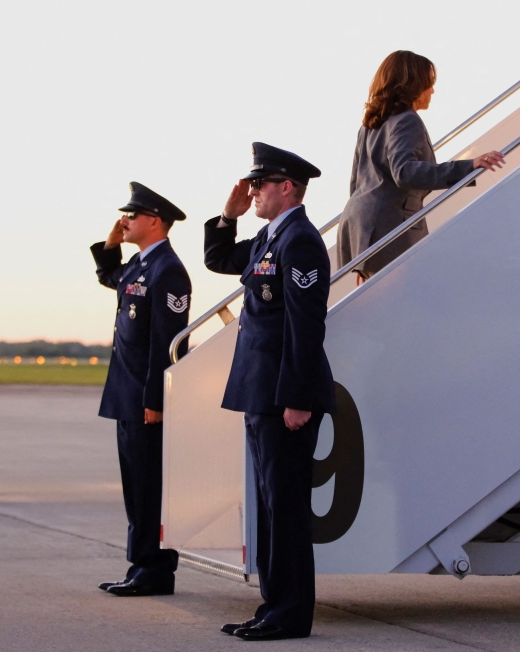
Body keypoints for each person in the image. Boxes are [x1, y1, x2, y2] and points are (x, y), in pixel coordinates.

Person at [204, 143, 335, 641]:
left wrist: (298, 398)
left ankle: (290, 613)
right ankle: (273, 606)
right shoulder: (267, 238)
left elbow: (307, 324)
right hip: (261, 392)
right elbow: (219, 259)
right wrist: (227, 215)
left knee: (287, 509)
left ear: (288, 188)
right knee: (269, 505)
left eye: (261, 184)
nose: (253, 190)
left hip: (285, 397)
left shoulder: (299, 241)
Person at [90, 182, 192, 597]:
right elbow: (108, 277)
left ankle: (156, 569)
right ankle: (141, 565)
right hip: (126, 395)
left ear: (154, 221)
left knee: (150, 488)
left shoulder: (168, 270)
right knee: (136, 486)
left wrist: (156, 399)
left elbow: (167, 342)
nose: (125, 220)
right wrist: (110, 244)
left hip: (146, 400)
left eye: (132, 216)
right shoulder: (138, 265)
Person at [337, 50, 505, 280]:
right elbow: (404, 172)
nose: (432, 91)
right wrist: (468, 166)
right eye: (429, 84)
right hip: (389, 228)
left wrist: (364, 252)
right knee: (410, 300)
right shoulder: (407, 120)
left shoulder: (369, 125)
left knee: (390, 304)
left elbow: (356, 183)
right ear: (413, 86)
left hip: (360, 227)